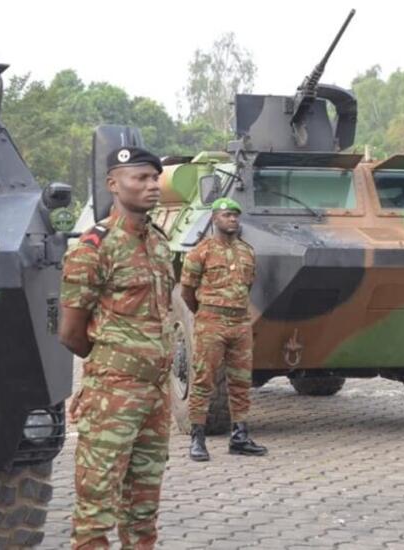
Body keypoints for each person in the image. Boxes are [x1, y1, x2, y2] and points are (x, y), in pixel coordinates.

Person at [59, 146, 174, 549]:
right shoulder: (95, 246)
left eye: (153, 178)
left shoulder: (159, 243)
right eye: (139, 178)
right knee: (96, 507)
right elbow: (71, 331)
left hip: (156, 395)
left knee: (143, 509)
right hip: (114, 394)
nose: (151, 186)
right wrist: (112, 368)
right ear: (113, 184)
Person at [180, 197, 268, 461]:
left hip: (240, 324)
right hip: (211, 322)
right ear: (215, 219)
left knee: (241, 382)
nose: (233, 219)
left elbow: (247, 286)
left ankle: (239, 436)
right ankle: (198, 437)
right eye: (227, 215)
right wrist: (205, 313)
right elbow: (187, 291)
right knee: (203, 381)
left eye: (235, 216)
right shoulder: (201, 251)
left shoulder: (247, 251)